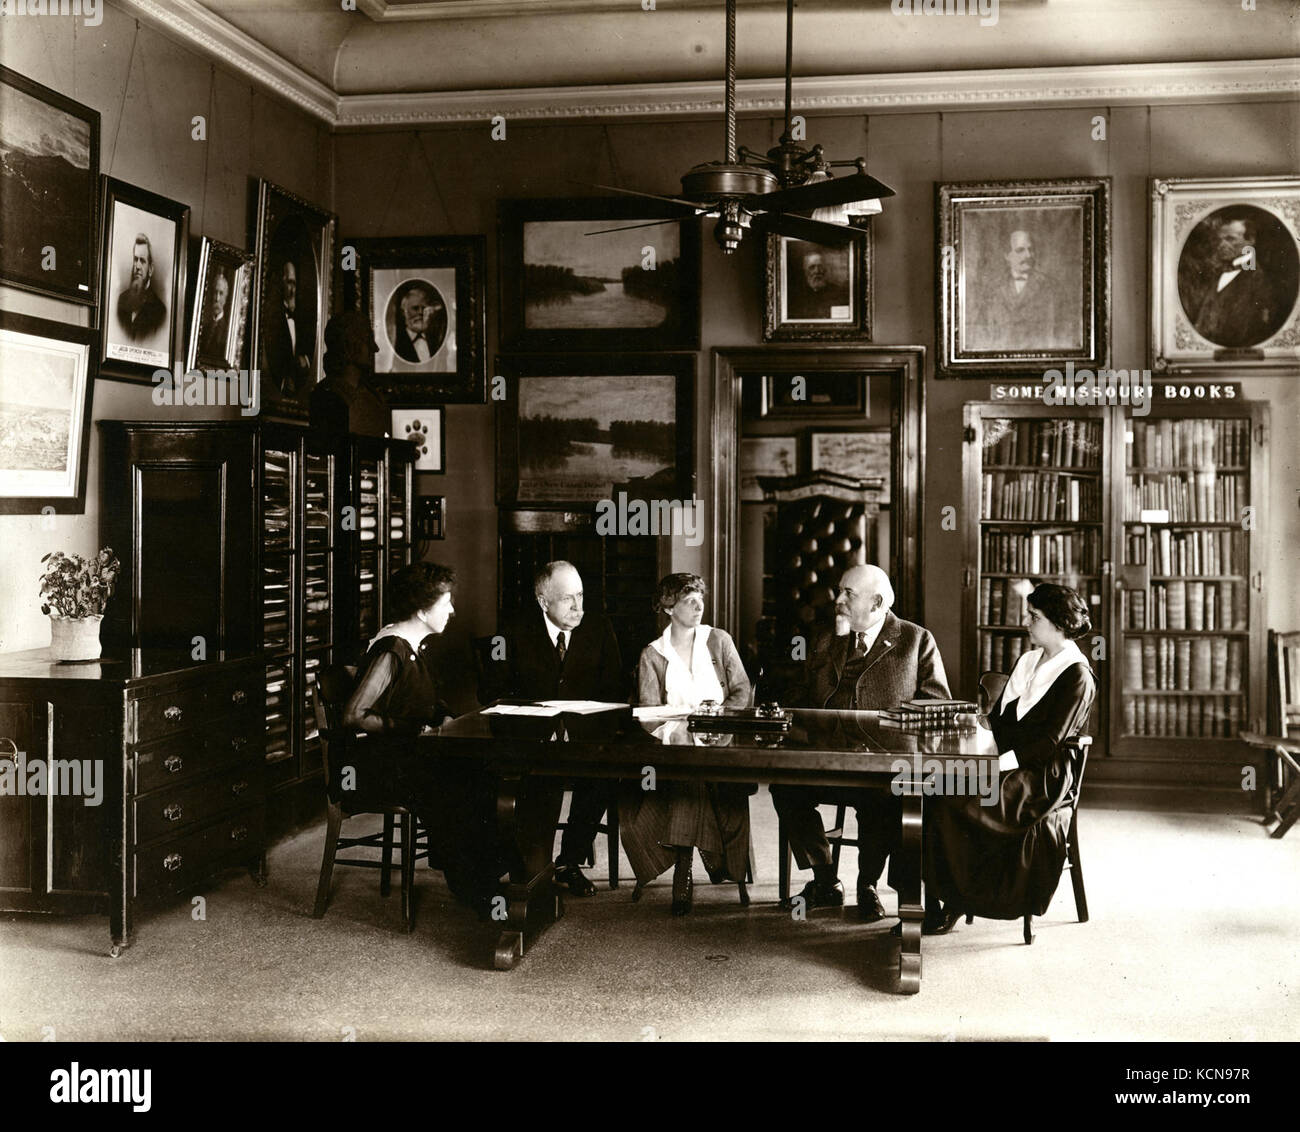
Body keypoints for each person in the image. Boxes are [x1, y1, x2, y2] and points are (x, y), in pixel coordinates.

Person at [770, 563, 951, 920]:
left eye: (848, 594)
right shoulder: (824, 638)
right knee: (785, 786)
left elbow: (937, 704)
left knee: (882, 801)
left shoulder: (915, 640)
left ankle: (867, 885)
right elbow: (800, 696)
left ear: (877, 602)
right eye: (840, 591)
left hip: (882, 762)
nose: (838, 600)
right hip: (826, 757)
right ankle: (824, 880)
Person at [924, 583, 1096, 935]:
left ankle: (956, 899)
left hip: (1040, 776)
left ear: (1060, 623)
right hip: (1008, 763)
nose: (1027, 623)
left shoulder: (1077, 674)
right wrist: (975, 735)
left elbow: (1048, 743)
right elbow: (1001, 723)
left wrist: (994, 765)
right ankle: (932, 902)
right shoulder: (1028, 660)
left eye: (1035, 617)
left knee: (955, 797)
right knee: (932, 786)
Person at [344, 562, 502, 916]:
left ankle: (487, 876)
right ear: (421, 609)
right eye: (446, 602)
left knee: (484, 774)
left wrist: (442, 718)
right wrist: (413, 730)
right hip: (375, 766)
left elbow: (424, 703)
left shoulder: (416, 646)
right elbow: (355, 715)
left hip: (403, 756)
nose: (452, 610)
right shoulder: (392, 649)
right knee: (458, 786)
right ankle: (476, 890)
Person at [480, 560, 625, 897]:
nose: (578, 607)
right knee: (530, 780)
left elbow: (616, 689)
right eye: (567, 599)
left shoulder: (599, 628)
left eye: (580, 596)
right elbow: (491, 691)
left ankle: (568, 862)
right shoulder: (512, 632)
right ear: (544, 602)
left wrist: (584, 721)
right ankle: (531, 864)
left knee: (603, 778)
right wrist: (537, 716)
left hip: (584, 737)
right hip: (532, 738)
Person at [619, 574, 752, 916]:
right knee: (687, 776)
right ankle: (704, 857)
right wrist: (672, 732)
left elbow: (741, 691)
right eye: (689, 601)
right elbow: (649, 713)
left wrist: (719, 720)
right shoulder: (653, 654)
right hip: (674, 745)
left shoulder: (719, 640)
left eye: (700, 599)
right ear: (667, 608)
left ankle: (685, 865)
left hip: (720, 741)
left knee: (693, 776)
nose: (699, 606)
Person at [1187, 215, 1284, 348]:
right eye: (1219, 240)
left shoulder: (1261, 281)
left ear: (1251, 240)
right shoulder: (1215, 274)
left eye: (1230, 239)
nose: (1221, 245)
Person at [970, 229, 1070, 350]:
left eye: (1031, 249)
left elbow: (1064, 334)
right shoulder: (993, 290)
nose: (1028, 255)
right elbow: (981, 333)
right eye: (1020, 250)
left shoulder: (1051, 288)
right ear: (1007, 255)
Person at [310, 309, 388, 437]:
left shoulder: (374, 398)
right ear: (349, 344)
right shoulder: (326, 397)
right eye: (367, 340)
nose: (375, 349)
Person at [264, 259, 310, 397]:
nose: (293, 290)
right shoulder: (272, 317)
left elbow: (304, 354)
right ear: (281, 283)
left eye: (294, 284)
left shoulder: (300, 318)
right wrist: (283, 381)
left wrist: (305, 362)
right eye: (289, 283)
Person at [116, 233, 167, 342]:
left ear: (150, 269)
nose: (137, 266)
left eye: (142, 261)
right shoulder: (121, 300)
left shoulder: (160, 312)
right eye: (135, 259)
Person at [785, 243, 850, 320]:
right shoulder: (796, 296)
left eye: (820, 266)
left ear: (825, 269)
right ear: (805, 270)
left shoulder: (838, 293)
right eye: (812, 267)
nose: (817, 271)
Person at [391, 282, 448, 365]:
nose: (421, 312)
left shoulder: (437, 340)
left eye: (424, 308)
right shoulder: (396, 342)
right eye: (415, 308)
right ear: (403, 312)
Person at [198, 270, 232, 366]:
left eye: (221, 293)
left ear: (225, 298)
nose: (217, 298)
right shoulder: (204, 329)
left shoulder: (228, 333)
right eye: (215, 293)